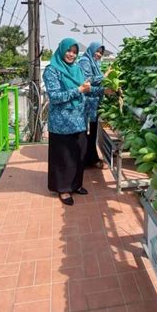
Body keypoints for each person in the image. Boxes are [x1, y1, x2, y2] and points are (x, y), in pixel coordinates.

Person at [43, 38, 102, 206]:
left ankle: (75, 184)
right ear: (62, 50)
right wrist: (78, 90)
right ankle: (63, 189)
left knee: (78, 155)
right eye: (69, 51)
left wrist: (105, 91)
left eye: (75, 52)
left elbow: (88, 89)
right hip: (62, 123)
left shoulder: (77, 70)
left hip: (79, 121)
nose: (71, 54)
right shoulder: (52, 71)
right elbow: (55, 97)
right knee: (64, 158)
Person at [78, 41, 113, 169]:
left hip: (93, 102)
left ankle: (90, 159)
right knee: (87, 132)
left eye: (101, 53)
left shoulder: (95, 63)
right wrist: (105, 76)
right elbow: (86, 80)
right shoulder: (84, 62)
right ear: (91, 50)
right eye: (97, 51)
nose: (98, 54)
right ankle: (88, 160)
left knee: (92, 132)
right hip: (87, 102)